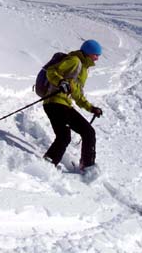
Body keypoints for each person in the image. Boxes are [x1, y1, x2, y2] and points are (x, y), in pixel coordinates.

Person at [43, 40, 104, 171]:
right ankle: (49, 164)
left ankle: (84, 165)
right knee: (72, 135)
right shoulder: (74, 61)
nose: (97, 58)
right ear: (88, 52)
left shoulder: (83, 69)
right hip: (55, 102)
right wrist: (61, 82)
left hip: (63, 105)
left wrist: (91, 108)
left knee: (79, 134)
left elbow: (77, 94)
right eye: (96, 54)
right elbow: (51, 71)